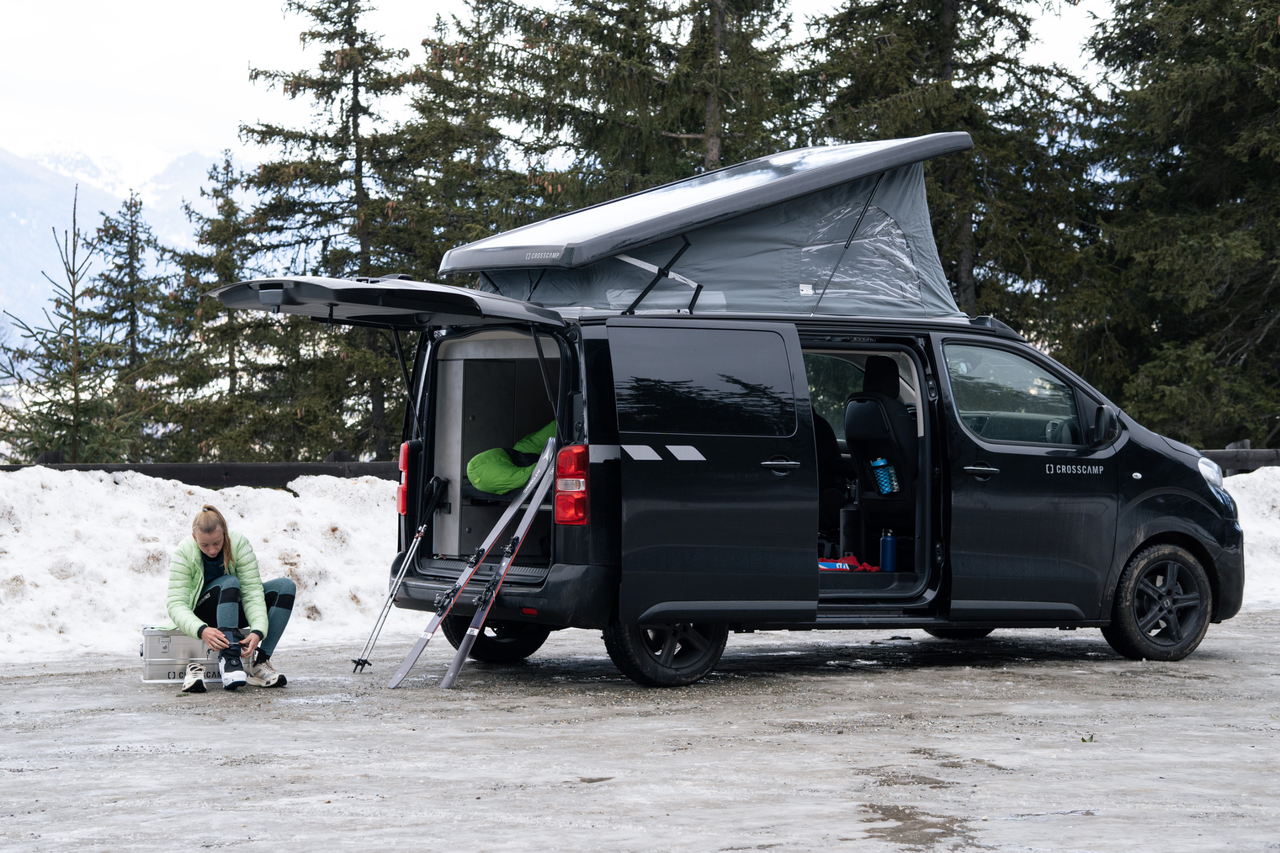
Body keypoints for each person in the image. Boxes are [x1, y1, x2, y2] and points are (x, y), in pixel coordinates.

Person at [161, 504, 295, 692]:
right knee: (229, 581)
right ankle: (230, 659)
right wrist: (201, 630)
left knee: (285, 587)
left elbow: (251, 592)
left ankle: (261, 663)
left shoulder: (239, 543)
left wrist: (258, 630)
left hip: (232, 606)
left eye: (217, 543)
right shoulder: (184, 552)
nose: (212, 550)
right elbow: (176, 604)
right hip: (203, 613)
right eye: (204, 545)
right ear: (194, 538)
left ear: (225, 534)